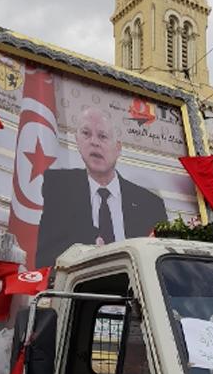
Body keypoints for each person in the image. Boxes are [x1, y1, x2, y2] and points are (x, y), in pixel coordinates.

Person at [35, 107, 167, 267]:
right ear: (77, 140)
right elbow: (46, 259)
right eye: (86, 134)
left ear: (118, 148)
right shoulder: (59, 187)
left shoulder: (150, 204)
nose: (94, 142)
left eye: (102, 136)